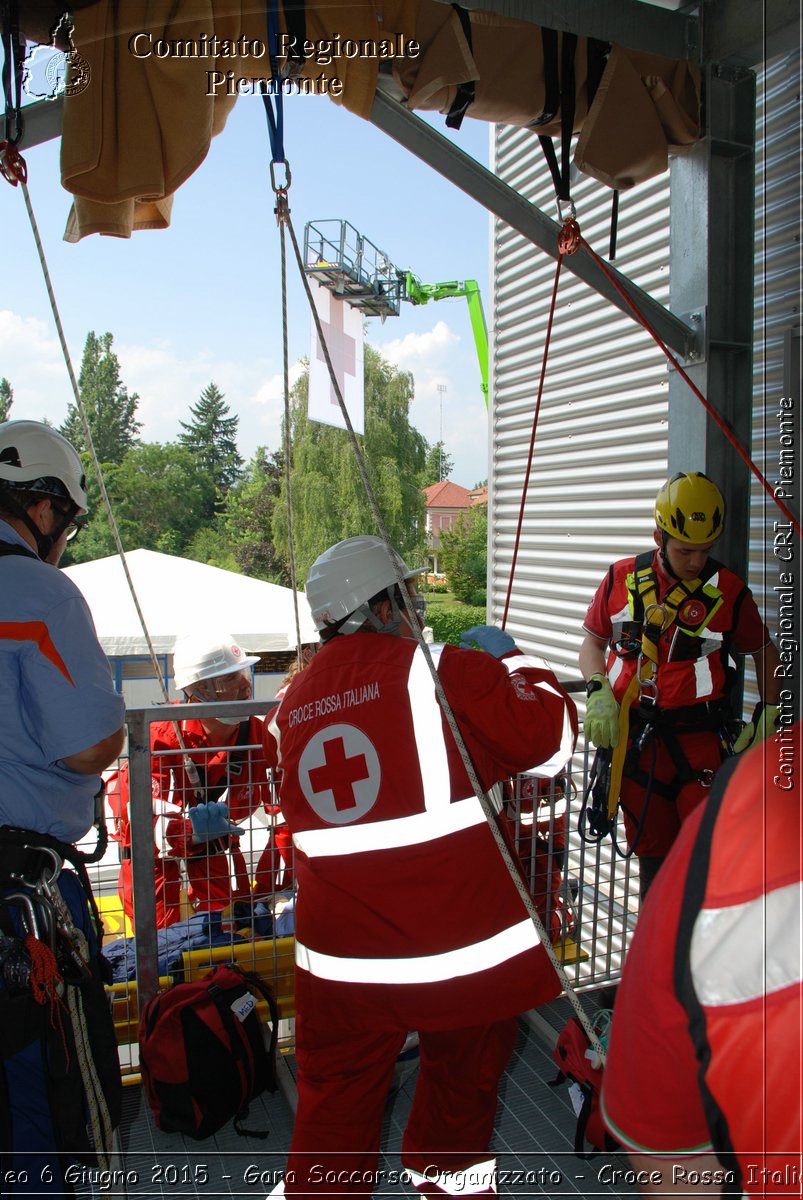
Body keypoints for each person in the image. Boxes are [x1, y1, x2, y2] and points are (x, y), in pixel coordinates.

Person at [267, 534, 577, 1198]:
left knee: (332, 1113)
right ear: (381, 606)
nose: (414, 612)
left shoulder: (287, 708)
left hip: (341, 965)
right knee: (460, 1096)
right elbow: (548, 746)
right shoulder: (444, 673)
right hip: (457, 953)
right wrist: (517, 663)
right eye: (406, 597)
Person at [0, 419, 126, 1192]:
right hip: (19, 906)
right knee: (40, 1107)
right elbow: (86, 745)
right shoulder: (37, 592)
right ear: (44, 508)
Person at [600, 722, 801, 1197]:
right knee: (665, 890)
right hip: (652, 758)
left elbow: (667, 1152)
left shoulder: (745, 819)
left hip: (701, 764)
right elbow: (593, 645)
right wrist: (596, 683)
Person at [579, 471, 780, 898]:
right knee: (651, 854)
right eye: (685, 550)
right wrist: (597, 689)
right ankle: (658, 951)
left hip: (698, 740)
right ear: (659, 537)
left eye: (705, 551)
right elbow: (593, 643)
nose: (695, 561)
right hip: (635, 744)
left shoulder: (728, 591)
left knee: (705, 851)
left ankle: (698, 952)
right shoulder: (620, 580)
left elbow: (765, 651)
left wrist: (770, 713)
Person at [110, 631, 276, 929]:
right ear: (199, 689)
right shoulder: (160, 738)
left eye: (242, 673)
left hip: (212, 855)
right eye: (230, 678)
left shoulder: (255, 734)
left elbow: (285, 803)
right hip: (155, 864)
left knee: (223, 938)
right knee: (164, 946)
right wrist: (193, 831)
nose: (246, 685)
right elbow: (144, 828)